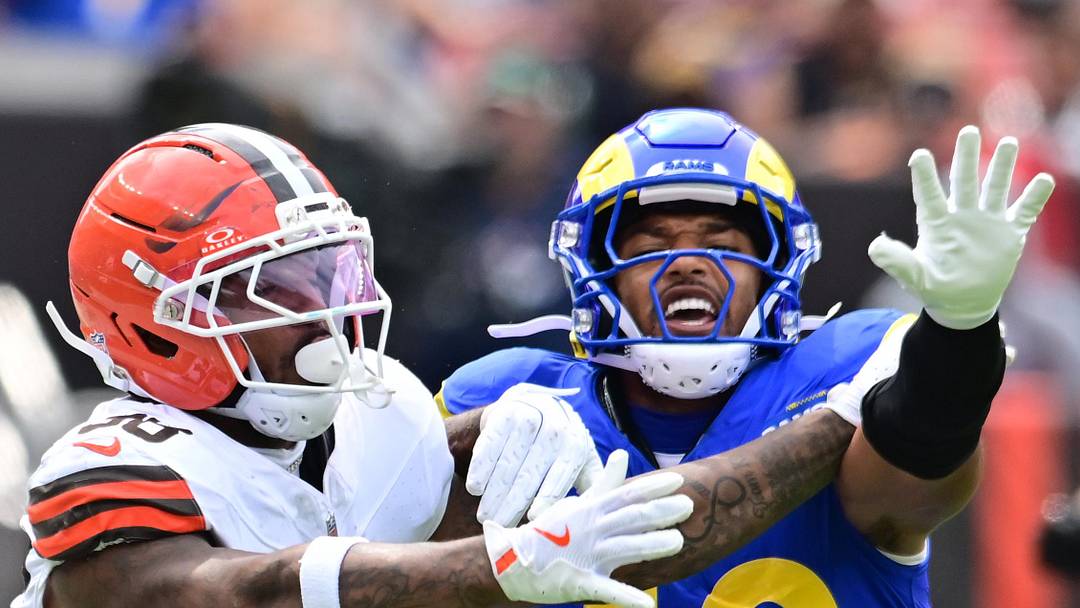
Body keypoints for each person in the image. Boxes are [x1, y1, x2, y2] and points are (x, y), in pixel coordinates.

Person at [11, 122, 904, 608]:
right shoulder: (115, 466)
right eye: (271, 287)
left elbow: (627, 547)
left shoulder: (379, 416)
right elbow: (257, 592)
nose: (326, 307)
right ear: (159, 325)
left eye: (325, 270)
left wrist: (485, 444)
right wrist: (500, 567)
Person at [438, 108, 1055, 606]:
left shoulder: (846, 368)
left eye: (722, 244)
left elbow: (919, 472)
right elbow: (369, 557)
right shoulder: (503, 399)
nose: (686, 262)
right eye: (652, 245)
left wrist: (957, 331)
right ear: (597, 273)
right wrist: (458, 446)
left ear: (773, 272)